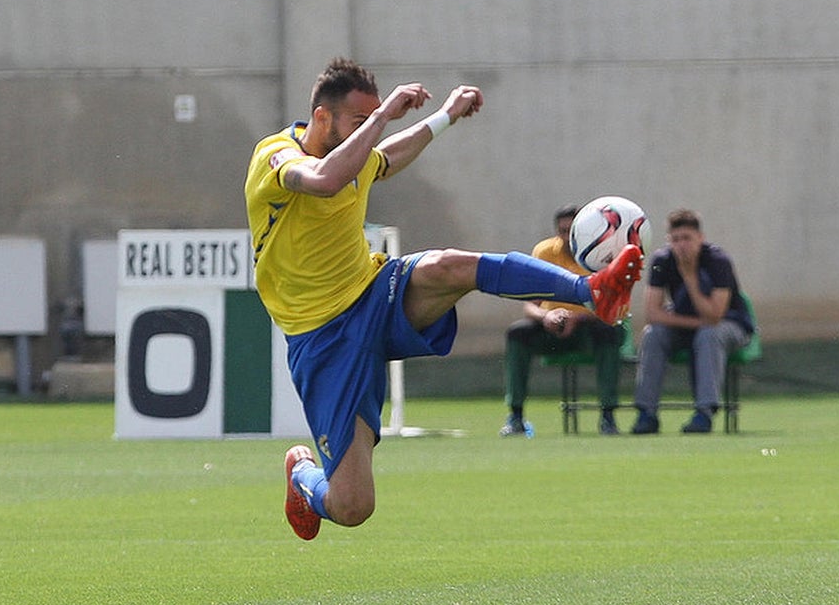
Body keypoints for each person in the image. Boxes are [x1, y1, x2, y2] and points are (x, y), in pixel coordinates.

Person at [244, 57, 643, 538]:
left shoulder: (354, 151)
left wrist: (445, 116)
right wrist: (384, 115)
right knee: (352, 505)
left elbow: (385, 158)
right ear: (322, 118)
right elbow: (325, 181)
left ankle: (592, 290)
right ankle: (303, 475)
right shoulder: (276, 156)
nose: (365, 131)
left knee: (450, 265)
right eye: (356, 121)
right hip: (323, 337)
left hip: (374, 294)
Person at [501, 205, 626, 437]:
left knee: (609, 333)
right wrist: (546, 316)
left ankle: (608, 417)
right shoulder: (545, 252)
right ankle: (515, 417)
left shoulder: (602, 254)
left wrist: (577, 317)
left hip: (588, 329)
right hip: (552, 327)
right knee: (517, 333)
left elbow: (613, 305)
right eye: (562, 231)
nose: (567, 237)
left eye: (572, 230)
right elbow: (530, 305)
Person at [630, 208, 753, 435]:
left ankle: (704, 413)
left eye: (687, 238)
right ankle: (646, 414)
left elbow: (715, 315)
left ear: (700, 238)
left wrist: (689, 277)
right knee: (653, 334)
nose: (681, 245)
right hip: (690, 325)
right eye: (675, 239)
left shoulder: (718, 261)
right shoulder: (661, 260)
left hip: (729, 325)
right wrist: (696, 324)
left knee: (709, 335)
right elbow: (652, 313)